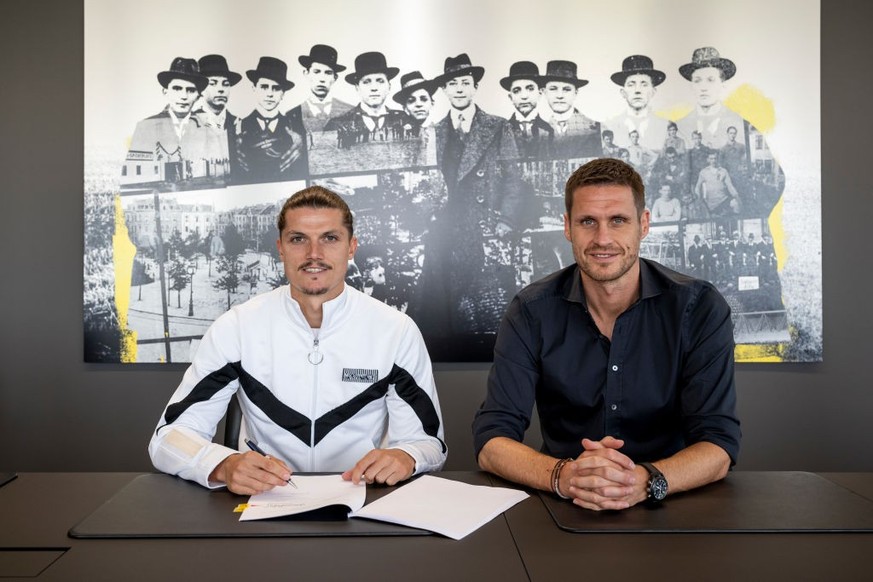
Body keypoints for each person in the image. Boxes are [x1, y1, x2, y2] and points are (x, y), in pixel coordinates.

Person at [472, 158, 740, 511]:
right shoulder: (531, 311)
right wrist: (564, 476)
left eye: (618, 220)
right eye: (587, 222)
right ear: (567, 227)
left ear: (643, 224)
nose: (603, 239)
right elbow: (492, 441)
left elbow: (719, 445)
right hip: (563, 500)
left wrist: (643, 481)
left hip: (670, 498)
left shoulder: (699, 307)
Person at [149, 186, 447, 494]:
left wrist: (406, 456)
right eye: (298, 239)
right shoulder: (236, 327)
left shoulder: (396, 331)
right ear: (280, 247)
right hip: (267, 501)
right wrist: (222, 465)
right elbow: (168, 437)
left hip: (363, 501)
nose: (313, 254)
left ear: (351, 247)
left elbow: (429, 443)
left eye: (329, 238)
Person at [410, 53, 526, 350]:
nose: (459, 89)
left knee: (488, 306)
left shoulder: (498, 126)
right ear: (445, 90)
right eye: (452, 83)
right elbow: (425, 182)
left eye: (465, 82)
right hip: (445, 231)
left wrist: (505, 220)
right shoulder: (434, 132)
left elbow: (514, 177)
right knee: (442, 304)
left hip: (484, 226)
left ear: (475, 87)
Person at [125, 57, 225, 185]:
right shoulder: (145, 128)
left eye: (191, 90)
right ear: (165, 92)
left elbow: (217, 175)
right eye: (177, 89)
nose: (183, 96)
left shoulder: (210, 131)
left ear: (198, 96)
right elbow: (135, 174)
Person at [235, 56, 308, 184]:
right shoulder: (238, 126)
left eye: (276, 88)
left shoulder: (295, 126)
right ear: (254, 88)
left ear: (283, 94)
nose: (270, 93)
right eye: (264, 87)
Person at [324, 52, 405, 145]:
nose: (374, 88)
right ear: (357, 88)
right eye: (366, 82)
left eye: (380, 81)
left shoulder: (404, 118)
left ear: (389, 87)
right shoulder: (337, 122)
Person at [676, 47, 746, 150]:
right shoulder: (680, 126)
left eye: (710, 80)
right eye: (697, 81)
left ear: (722, 84)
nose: (703, 88)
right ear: (691, 86)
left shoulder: (740, 124)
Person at [604, 55, 670, 151]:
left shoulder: (665, 125)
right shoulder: (611, 126)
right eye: (631, 85)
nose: (637, 90)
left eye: (644, 85)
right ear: (623, 93)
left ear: (653, 92)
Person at [540, 60, 601, 158]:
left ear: (575, 93)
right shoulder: (538, 132)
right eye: (553, 89)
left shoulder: (596, 130)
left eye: (566, 89)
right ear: (544, 92)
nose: (560, 96)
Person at [193, 54, 242, 176]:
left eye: (226, 84)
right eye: (213, 83)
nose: (221, 89)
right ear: (201, 89)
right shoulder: (190, 123)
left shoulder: (240, 124)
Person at [500, 61, 554, 160]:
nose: (524, 96)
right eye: (516, 91)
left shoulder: (550, 130)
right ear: (510, 97)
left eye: (530, 89)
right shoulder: (501, 132)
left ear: (540, 93)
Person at [297, 44, 354, 133]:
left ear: (335, 78)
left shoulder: (350, 111)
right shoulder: (293, 114)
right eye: (316, 72)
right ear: (306, 74)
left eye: (328, 73)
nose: (322, 79)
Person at [695, 152, 740, 216]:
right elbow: (697, 187)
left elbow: (730, 186)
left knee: (736, 204)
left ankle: (736, 224)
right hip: (711, 203)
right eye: (711, 159)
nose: (713, 161)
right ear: (708, 160)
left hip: (723, 199)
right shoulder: (703, 172)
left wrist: (737, 196)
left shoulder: (723, 171)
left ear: (717, 159)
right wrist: (699, 199)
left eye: (715, 158)